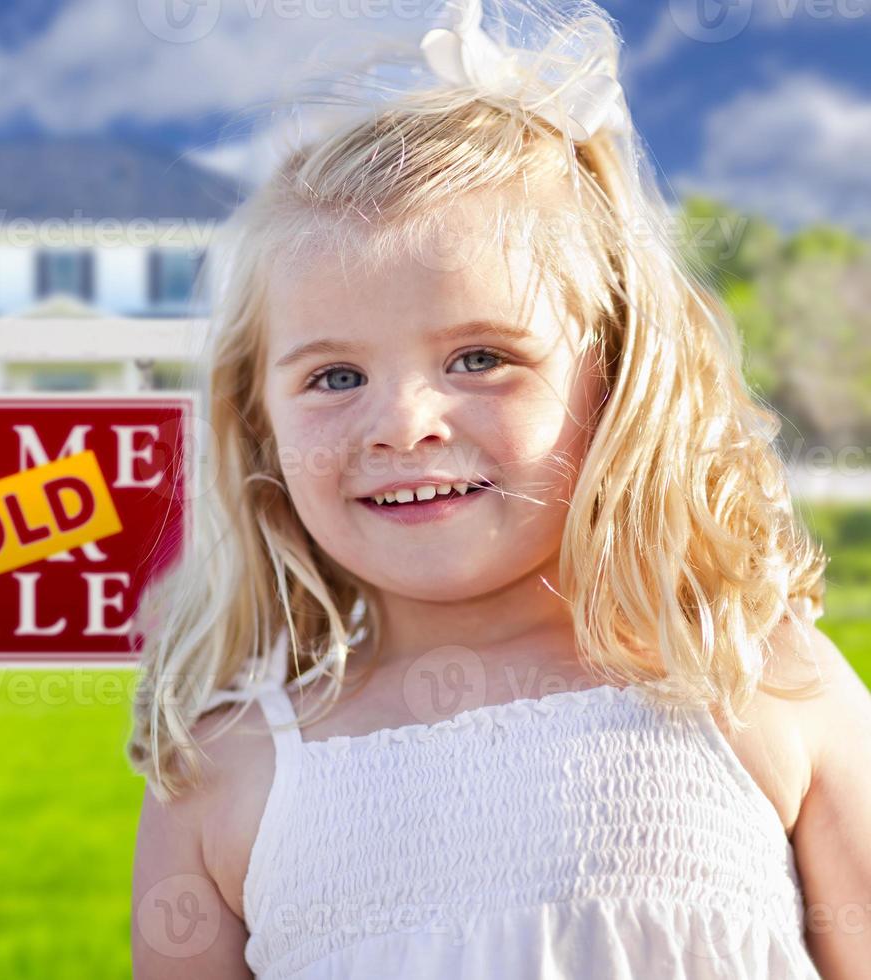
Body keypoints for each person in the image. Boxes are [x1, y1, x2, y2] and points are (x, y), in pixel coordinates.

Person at [126, 1, 871, 976]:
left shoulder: (754, 678)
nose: (402, 421)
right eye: (334, 377)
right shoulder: (224, 770)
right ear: (255, 416)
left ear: (614, 376)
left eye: (479, 356)